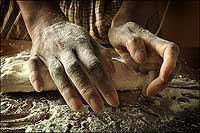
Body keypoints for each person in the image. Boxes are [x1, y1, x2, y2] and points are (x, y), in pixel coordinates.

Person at [1, 1, 179, 112]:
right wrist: (43, 22)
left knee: (142, 62)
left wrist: (129, 18)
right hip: (32, 13)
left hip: (122, 9)